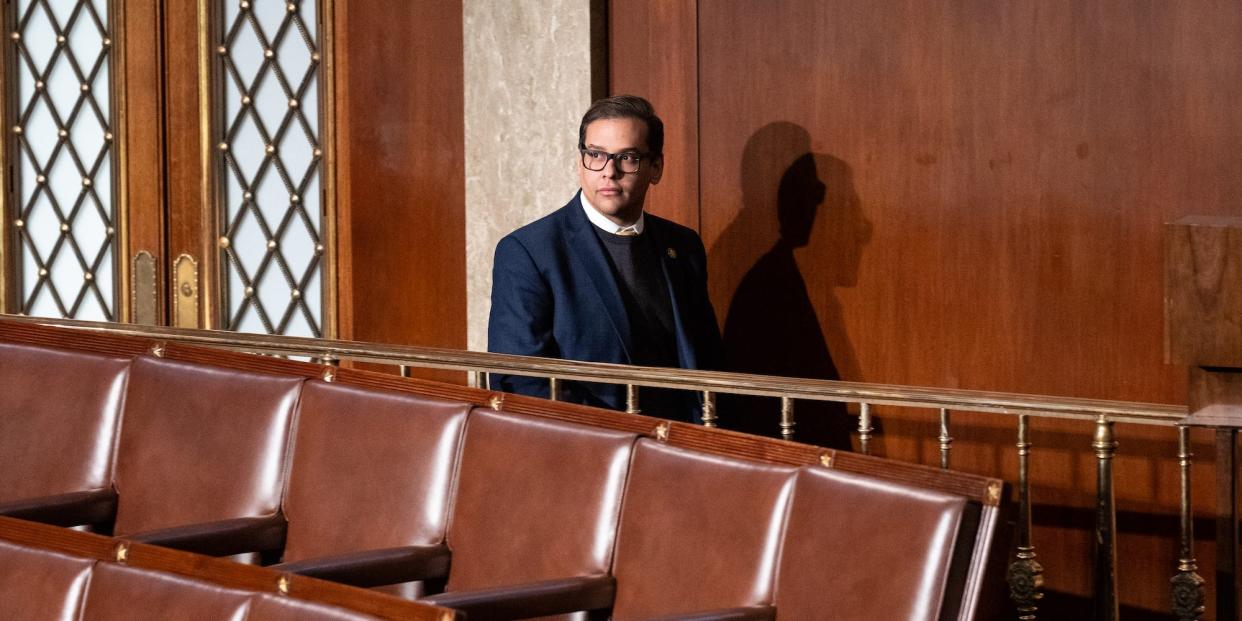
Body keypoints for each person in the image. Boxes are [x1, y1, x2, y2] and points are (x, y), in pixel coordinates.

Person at [487, 95, 723, 422]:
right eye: (595, 154)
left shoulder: (683, 245)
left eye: (627, 157)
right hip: (587, 450)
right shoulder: (528, 251)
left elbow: (707, 359)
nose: (608, 172)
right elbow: (519, 380)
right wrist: (617, 436)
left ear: (656, 167)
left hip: (683, 447)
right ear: (580, 161)